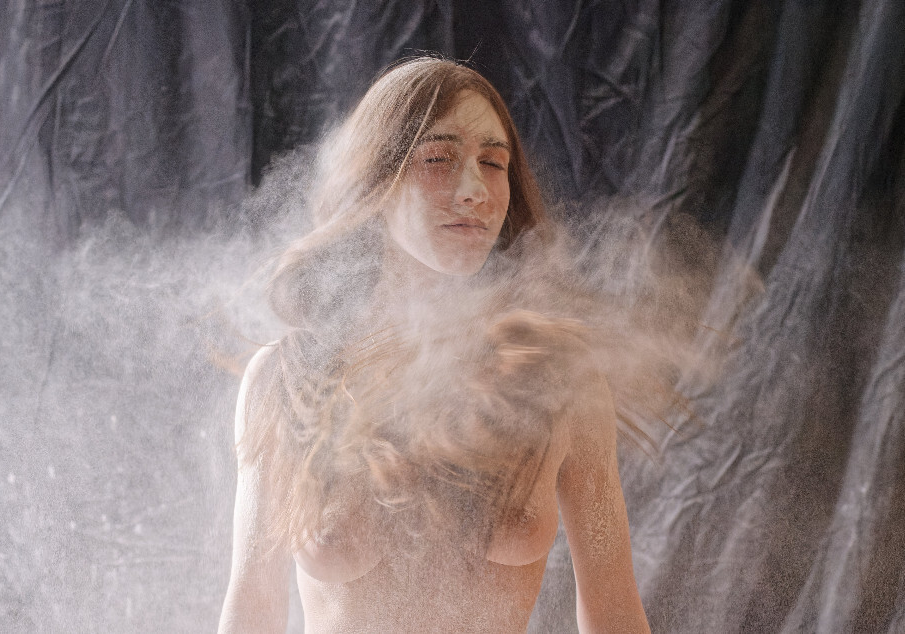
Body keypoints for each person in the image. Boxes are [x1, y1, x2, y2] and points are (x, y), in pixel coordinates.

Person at [219, 57, 652, 633]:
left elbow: (615, 613)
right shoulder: (287, 378)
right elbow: (252, 609)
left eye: (493, 162)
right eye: (438, 159)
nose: (474, 190)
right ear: (378, 181)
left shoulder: (559, 382)